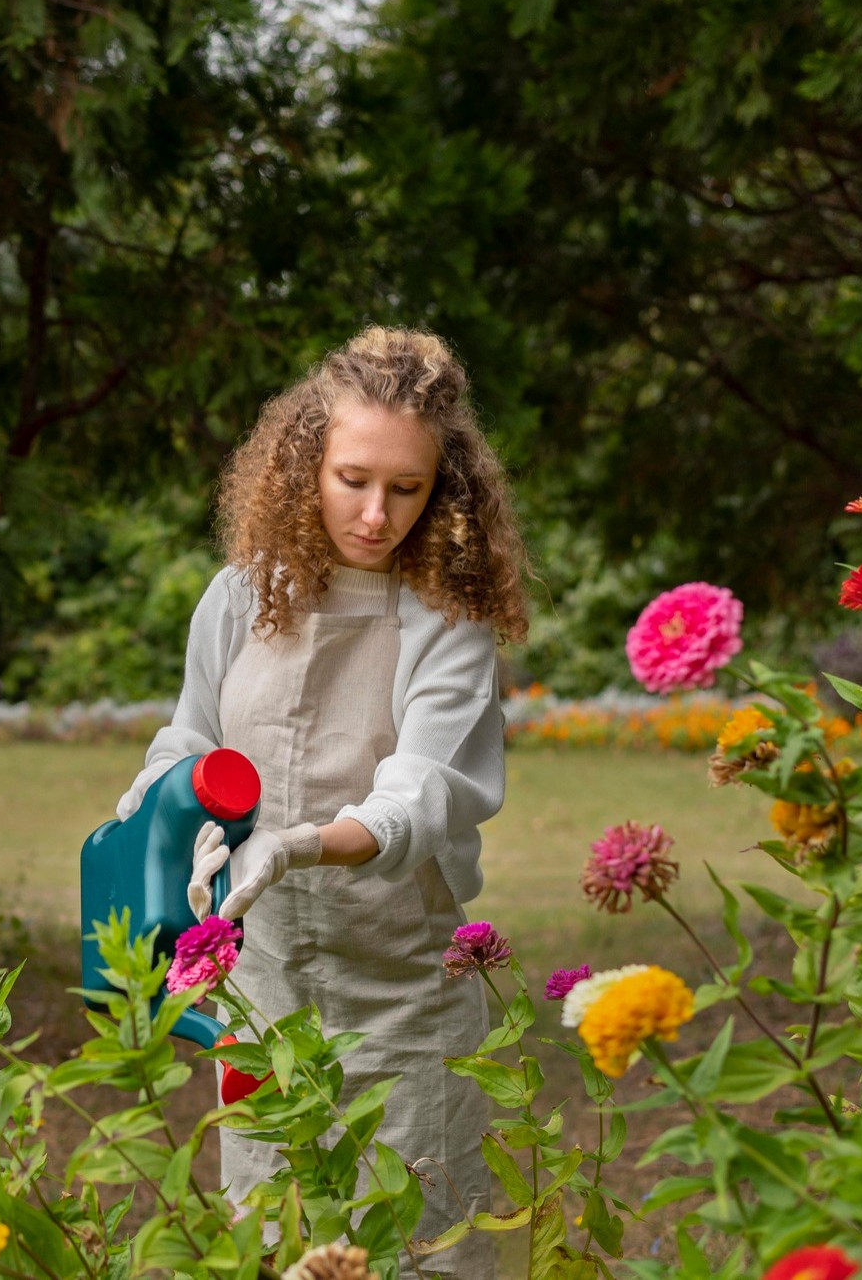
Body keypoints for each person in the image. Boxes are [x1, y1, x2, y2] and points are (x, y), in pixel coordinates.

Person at [113, 326, 530, 1278]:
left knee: (423, 1250)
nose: (377, 514)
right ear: (303, 461)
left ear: (444, 488)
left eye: (407, 488)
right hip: (261, 1000)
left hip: (405, 1003)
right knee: (278, 1248)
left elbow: (415, 796)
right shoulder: (237, 597)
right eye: (353, 478)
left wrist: (293, 844)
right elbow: (191, 737)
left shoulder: (448, 626)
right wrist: (157, 797)